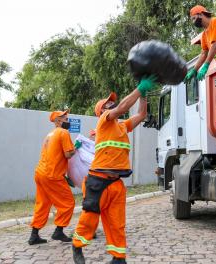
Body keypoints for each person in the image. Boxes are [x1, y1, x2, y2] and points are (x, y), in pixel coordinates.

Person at [72, 76, 156, 264]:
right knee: (90, 219)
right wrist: (138, 89)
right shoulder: (104, 120)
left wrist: (144, 94)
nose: (111, 103)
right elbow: (123, 108)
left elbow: (141, 115)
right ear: (100, 111)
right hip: (97, 181)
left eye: (112, 101)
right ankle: (77, 245)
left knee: (117, 222)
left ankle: (118, 258)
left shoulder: (122, 126)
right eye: (107, 103)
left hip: (116, 183)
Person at [28, 110, 76, 245]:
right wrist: (76, 148)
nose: (68, 120)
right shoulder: (63, 132)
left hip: (40, 173)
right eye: (66, 118)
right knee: (68, 203)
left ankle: (34, 235)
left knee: (42, 204)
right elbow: (68, 154)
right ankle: (58, 231)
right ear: (58, 121)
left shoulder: (50, 134)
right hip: (52, 175)